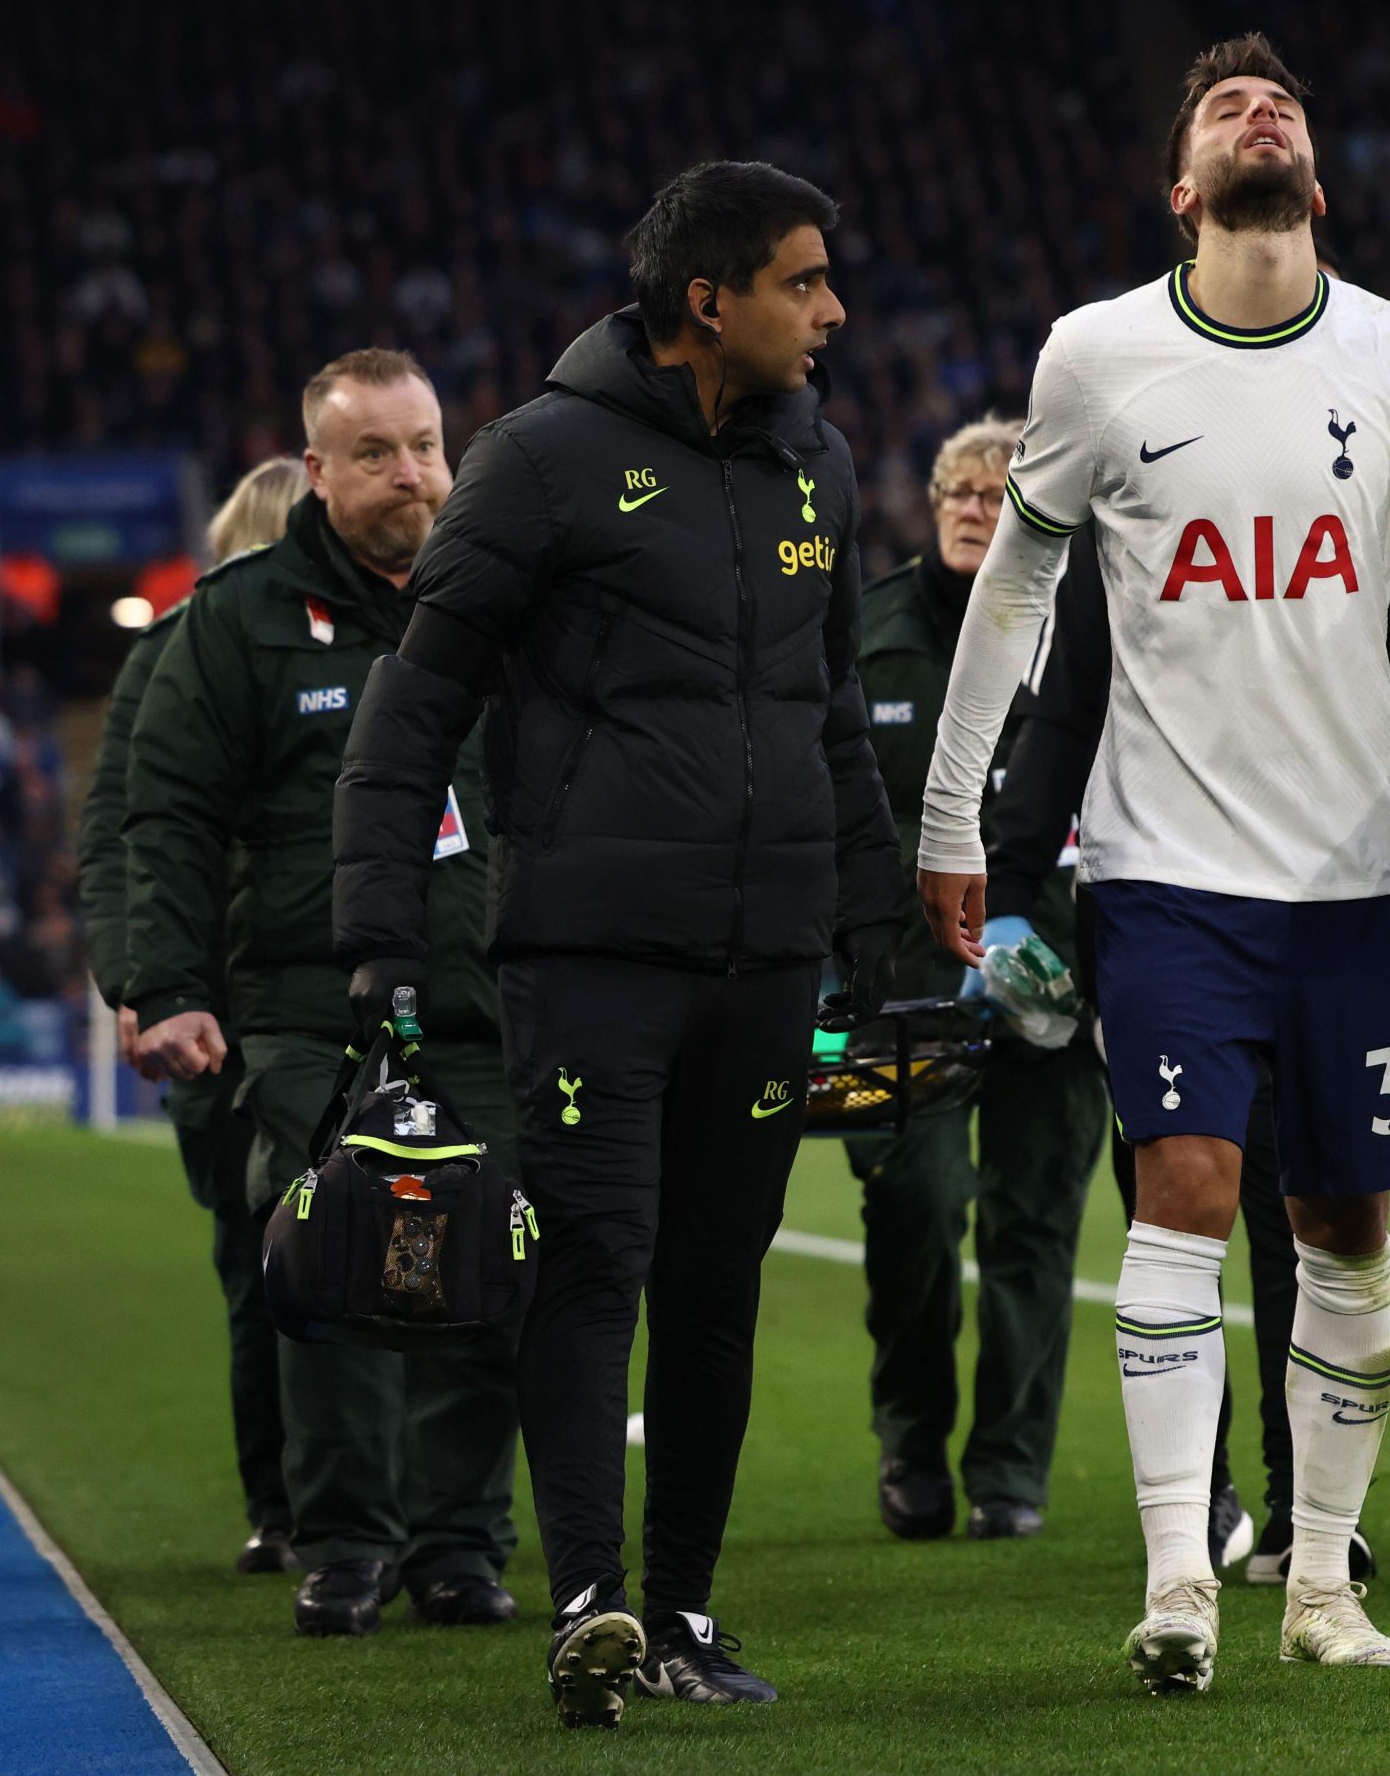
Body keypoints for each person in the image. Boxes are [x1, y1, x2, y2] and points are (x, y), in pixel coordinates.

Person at [917, 35, 1390, 1693]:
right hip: (1166, 870)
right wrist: (952, 817)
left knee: (1347, 1238)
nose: (1258, 116)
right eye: (1224, 110)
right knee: (1184, 1192)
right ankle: (1178, 1573)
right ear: (1184, 187)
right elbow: (1014, 605)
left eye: (1282, 106)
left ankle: (1322, 1584)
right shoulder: (1097, 357)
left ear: (1316, 180)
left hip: (1355, 877)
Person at [330, 161, 900, 1728]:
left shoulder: (823, 471)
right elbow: (412, 712)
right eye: (803, 281)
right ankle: (591, 1602)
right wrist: (378, 935)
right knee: (594, 1266)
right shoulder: (538, 464)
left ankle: (690, 1615)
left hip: (772, 958)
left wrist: (874, 919)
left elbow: (833, 719)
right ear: (706, 300)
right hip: (589, 954)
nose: (833, 311)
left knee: (718, 1293)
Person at [987, 474, 1390, 1587]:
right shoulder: (1137, 524)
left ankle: (1311, 1519)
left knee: (1310, 1218)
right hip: (1167, 914)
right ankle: (1195, 1516)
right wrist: (1015, 877)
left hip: (1327, 916)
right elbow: (1065, 705)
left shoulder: (1339, 525)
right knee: (1183, 1202)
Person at [124, 354, 520, 1639]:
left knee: (488, 1268)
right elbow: (166, 817)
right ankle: (347, 1541)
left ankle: (461, 1546)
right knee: (333, 1259)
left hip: (489, 997)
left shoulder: (509, 594)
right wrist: (168, 987)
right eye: (376, 454)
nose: (411, 474)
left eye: (424, 446)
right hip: (306, 1005)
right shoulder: (236, 619)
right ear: (317, 470)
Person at [847, 416, 1109, 1545]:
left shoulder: (1095, 632)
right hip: (905, 988)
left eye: (997, 495)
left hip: (1062, 983)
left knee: (1032, 1226)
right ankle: (912, 1444)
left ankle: (1009, 1469)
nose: (970, 506)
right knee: (916, 1203)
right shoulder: (867, 633)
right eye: (956, 487)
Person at [79, 452, 307, 1578]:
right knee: (310, 1259)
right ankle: (358, 1508)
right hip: (229, 997)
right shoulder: (188, 649)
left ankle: (290, 1507)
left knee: (256, 1266)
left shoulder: (168, 647)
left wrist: (143, 982)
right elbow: (131, 836)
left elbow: (113, 839)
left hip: (225, 997)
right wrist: (146, 982)